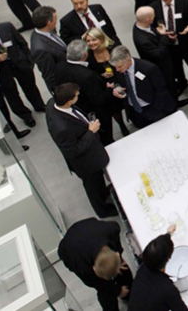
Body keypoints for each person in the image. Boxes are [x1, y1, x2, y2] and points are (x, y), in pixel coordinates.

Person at [47, 83, 116, 217]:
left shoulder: (52, 102)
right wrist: (90, 132)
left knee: (98, 183)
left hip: (92, 152)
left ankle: (104, 193)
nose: (79, 97)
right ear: (69, 101)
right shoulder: (61, 128)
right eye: (77, 96)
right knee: (93, 187)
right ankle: (103, 211)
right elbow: (72, 151)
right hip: (86, 163)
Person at [128, 228, 188, 311]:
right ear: (168, 258)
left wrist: (168, 233)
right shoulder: (166, 289)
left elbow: (158, 248)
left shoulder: (144, 267)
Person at [59, 218, 133, 311]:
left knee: (124, 270)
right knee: (105, 291)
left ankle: (129, 295)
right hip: (70, 249)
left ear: (116, 254)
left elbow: (116, 233)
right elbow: (98, 284)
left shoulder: (110, 230)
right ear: (93, 269)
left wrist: (119, 254)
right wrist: (117, 291)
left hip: (91, 229)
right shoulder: (83, 268)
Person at [109, 45, 177, 128]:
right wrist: (116, 87)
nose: (117, 70)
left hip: (153, 108)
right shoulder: (118, 67)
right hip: (135, 111)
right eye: (115, 67)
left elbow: (160, 90)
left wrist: (156, 110)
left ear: (128, 60)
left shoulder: (149, 68)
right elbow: (116, 81)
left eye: (119, 66)